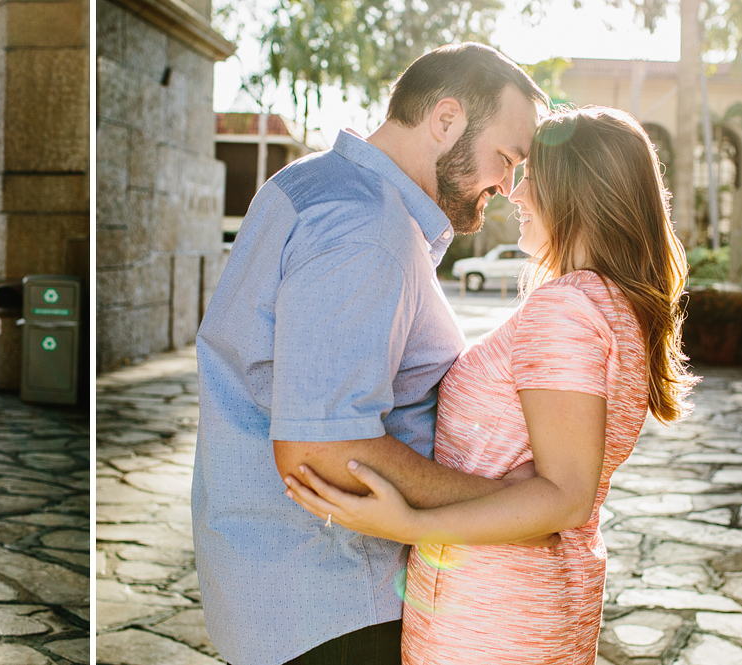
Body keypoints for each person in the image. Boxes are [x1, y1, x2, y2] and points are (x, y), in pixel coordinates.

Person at [283, 106, 696, 663]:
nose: (516, 195)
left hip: (490, 618)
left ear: (579, 191)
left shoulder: (568, 309)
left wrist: (409, 522)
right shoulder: (617, 308)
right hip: (529, 606)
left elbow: (564, 497)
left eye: (534, 179)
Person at [191, 42, 553, 665]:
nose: (508, 184)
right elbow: (325, 452)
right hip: (336, 607)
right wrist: (502, 504)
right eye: (506, 157)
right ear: (445, 120)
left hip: (282, 594)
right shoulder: (367, 227)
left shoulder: (310, 185)